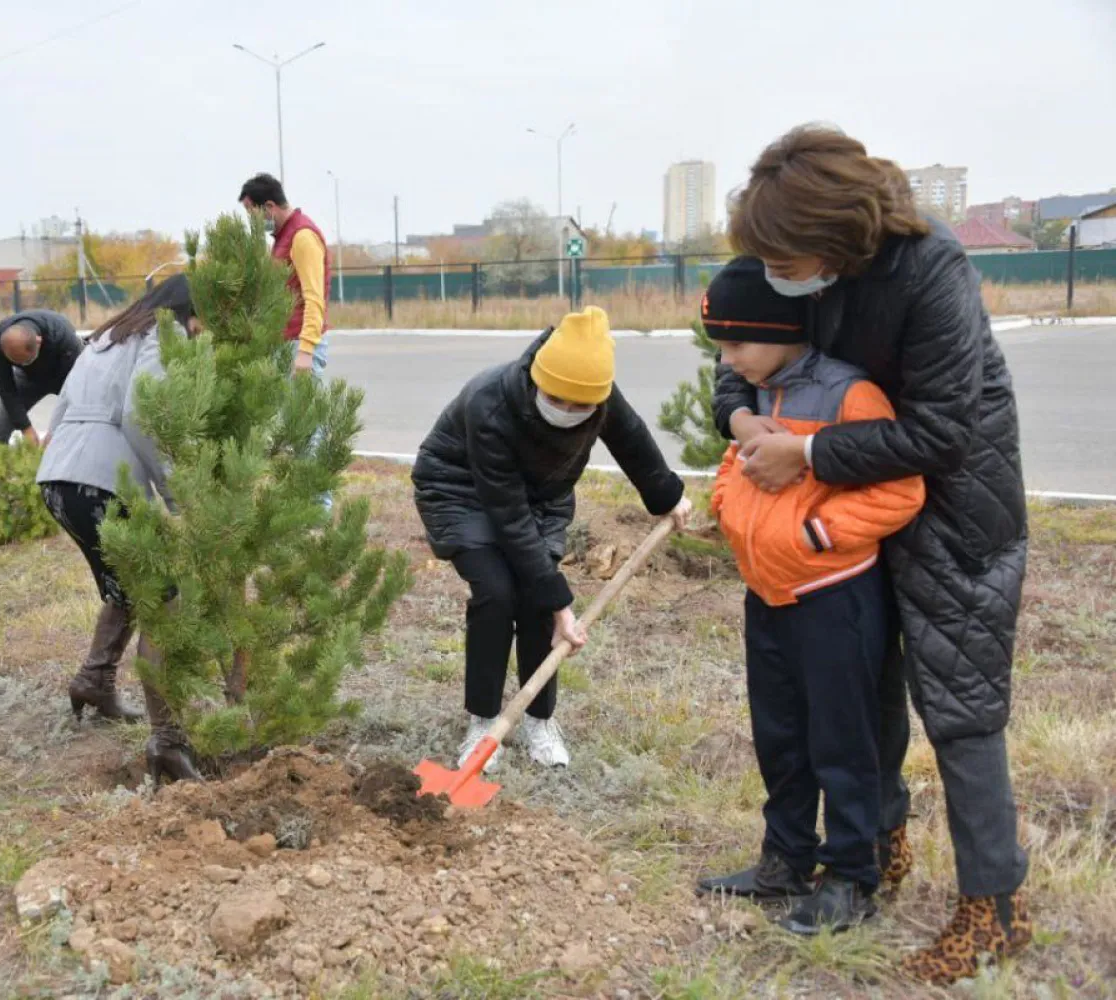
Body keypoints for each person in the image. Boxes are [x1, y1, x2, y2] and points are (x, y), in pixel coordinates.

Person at [714, 125, 1032, 983]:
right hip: (840, 502)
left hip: (954, 498)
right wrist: (743, 419)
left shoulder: (932, 273)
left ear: (837, 236)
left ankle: (993, 908)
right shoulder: (799, 264)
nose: (780, 276)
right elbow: (740, 354)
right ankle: (875, 853)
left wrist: (809, 456)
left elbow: (943, 427)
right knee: (865, 677)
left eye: (788, 258)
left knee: (958, 697)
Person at [694, 258, 925, 934]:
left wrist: (816, 535)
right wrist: (731, 513)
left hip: (834, 599)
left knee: (842, 742)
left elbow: (901, 488)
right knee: (781, 735)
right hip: (766, 596)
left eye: (736, 344)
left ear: (780, 329)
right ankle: (784, 861)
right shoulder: (759, 392)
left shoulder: (848, 395)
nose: (728, 361)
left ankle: (853, 876)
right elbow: (738, 465)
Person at [413, 306, 692, 770]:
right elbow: (508, 516)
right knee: (497, 593)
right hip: (460, 490)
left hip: (541, 498)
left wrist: (667, 495)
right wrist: (563, 603)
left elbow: (633, 442)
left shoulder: (599, 397)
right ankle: (483, 721)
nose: (566, 410)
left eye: (580, 406)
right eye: (556, 398)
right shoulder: (490, 404)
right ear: (536, 378)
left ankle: (539, 720)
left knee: (535, 600)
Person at [36, 275, 202, 782]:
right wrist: (176, 493)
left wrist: (59, 467)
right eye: (204, 318)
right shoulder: (159, 337)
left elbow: (61, 410)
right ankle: (169, 743)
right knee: (161, 601)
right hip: (102, 482)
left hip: (60, 479)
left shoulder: (107, 337)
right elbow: (140, 415)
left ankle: (95, 679)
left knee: (127, 585)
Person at [238, 173, 329, 381]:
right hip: (286, 343)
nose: (251, 220)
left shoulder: (302, 237)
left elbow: (315, 298)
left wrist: (305, 352)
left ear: (269, 207)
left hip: (301, 345)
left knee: (305, 413)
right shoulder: (282, 239)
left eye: (251, 213)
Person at [0, 309, 83, 445]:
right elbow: (5, 388)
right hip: (28, 378)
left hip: (65, 375)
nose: (21, 364)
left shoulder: (62, 337)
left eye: (26, 361)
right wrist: (25, 428)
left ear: (39, 341)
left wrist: (54, 432)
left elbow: (78, 389)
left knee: (79, 427)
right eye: (15, 363)